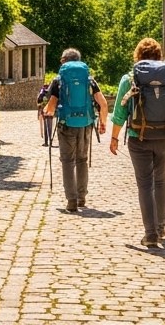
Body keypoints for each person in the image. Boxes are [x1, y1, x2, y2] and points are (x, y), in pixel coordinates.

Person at [109, 38, 165, 248]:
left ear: (138, 56)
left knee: (145, 184)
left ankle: (150, 233)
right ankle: (161, 225)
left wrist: (114, 138)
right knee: (160, 181)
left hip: (139, 138)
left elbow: (120, 111)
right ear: (159, 56)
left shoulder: (130, 78)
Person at [41, 49, 107, 212]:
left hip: (66, 124)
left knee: (68, 161)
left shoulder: (59, 79)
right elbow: (103, 103)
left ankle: (71, 201)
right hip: (85, 124)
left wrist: (46, 112)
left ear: (64, 61)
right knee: (82, 159)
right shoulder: (89, 79)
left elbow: (51, 105)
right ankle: (81, 197)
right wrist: (103, 122)